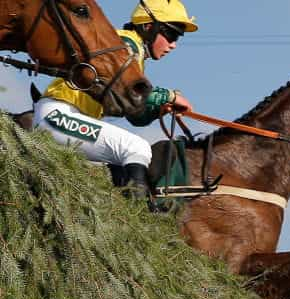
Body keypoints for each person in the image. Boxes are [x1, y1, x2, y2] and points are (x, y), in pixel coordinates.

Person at [33, 0, 198, 209]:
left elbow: (135, 116)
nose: (173, 45)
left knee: (118, 168)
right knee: (136, 147)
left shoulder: (134, 54)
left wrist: (160, 109)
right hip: (58, 116)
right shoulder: (124, 44)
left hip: (70, 120)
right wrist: (169, 95)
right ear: (149, 26)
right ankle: (140, 217)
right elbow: (134, 94)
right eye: (171, 35)